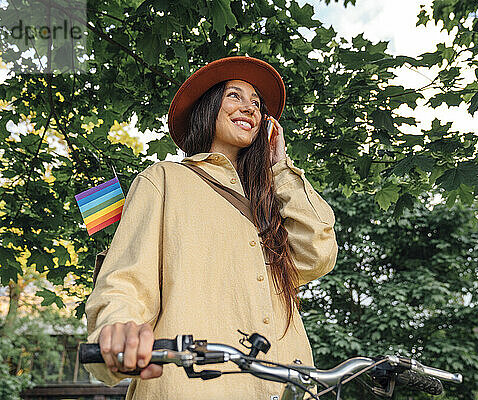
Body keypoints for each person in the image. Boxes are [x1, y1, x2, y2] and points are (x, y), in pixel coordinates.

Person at [84, 56, 338, 400]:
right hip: (190, 387)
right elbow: (126, 280)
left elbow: (318, 255)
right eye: (235, 96)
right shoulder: (163, 179)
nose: (249, 107)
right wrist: (120, 327)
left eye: (257, 104)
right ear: (208, 108)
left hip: (287, 387)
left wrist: (280, 168)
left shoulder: (269, 204)